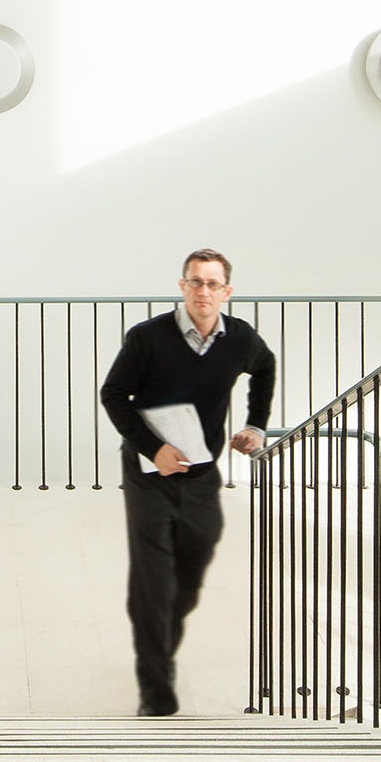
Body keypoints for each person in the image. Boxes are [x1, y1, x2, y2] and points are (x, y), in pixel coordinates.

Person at [98, 248, 276, 716]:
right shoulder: (148, 337)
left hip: (201, 473)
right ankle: (156, 693)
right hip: (149, 473)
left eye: (213, 284)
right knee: (153, 580)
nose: (203, 291)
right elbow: (113, 394)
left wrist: (255, 425)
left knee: (193, 567)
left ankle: (159, 636)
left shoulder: (240, 339)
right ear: (182, 286)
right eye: (195, 282)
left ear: (227, 292)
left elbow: (265, 367)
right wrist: (152, 448)